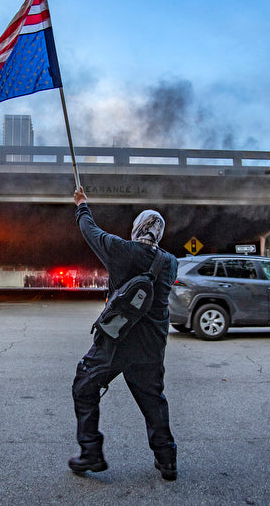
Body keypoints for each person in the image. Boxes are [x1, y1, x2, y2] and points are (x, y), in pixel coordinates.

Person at [69, 187, 179, 481]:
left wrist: (82, 205)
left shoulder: (121, 251)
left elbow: (90, 231)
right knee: (153, 400)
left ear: (137, 229)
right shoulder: (170, 262)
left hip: (116, 342)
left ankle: (91, 452)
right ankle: (167, 460)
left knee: (84, 386)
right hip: (152, 346)